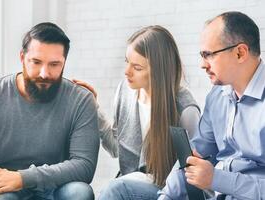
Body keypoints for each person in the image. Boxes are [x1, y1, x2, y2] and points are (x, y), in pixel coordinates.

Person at [0, 22, 99, 200]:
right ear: (22, 57)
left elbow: (84, 165)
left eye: (54, 64)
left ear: (64, 62)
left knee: (79, 193)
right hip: (4, 186)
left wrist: (23, 178)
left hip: (56, 186)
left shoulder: (81, 100)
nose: (44, 73)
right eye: (36, 62)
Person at [74, 25, 200, 199]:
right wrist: (94, 108)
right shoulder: (125, 92)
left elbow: (192, 174)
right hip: (131, 185)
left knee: (116, 189)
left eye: (137, 68)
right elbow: (116, 148)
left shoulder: (185, 109)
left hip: (171, 192)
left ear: (159, 71)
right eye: (127, 62)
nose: (127, 72)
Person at [158, 11, 265, 200]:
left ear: (240, 53)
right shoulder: (217, 96)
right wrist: (166, 196)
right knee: (121, 190)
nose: (202, 64)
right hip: (214, 195)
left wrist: (216, 179)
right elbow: (194, 157)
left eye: (209, 55)